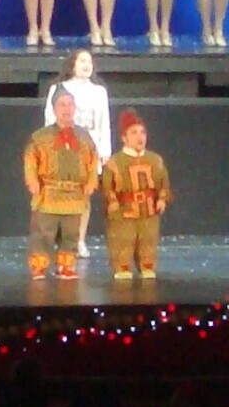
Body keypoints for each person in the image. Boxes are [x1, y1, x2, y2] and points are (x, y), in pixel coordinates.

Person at [24, 85, 101, 279]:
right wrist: (33, 182)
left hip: (75, 195)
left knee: (70, 236)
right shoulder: (40, 137)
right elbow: (30, 161)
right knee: (43, 235)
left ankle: (66, 266)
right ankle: (39, 267)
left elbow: (93, 161)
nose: (66, 109)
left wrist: (92, 181)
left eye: (70, 104)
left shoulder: (84, 137)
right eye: (62, 105)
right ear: (54, 109)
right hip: (48, 194)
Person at [43, 48, 111, 258]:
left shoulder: (99, 91)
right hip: (63, 148)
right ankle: (61, 238)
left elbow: (103, 122)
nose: (86, 65)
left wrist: (105, 150)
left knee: (84, 196)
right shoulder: (58, 88)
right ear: (72, 64)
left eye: (89, 61)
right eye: (82, 61)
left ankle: (79, 240)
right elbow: (49, 119)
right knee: (61, 193)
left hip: (89, 150)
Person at [101, 109, 172, 280]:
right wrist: (111, 201)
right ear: (124, 138)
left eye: (142, 132)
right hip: (124, 211)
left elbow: (163, 182)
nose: (140, 137)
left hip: (148, 210)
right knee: (123, 239)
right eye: (133, 133)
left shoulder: (155, 160)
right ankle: (122, 266)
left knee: (148, 239)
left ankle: (147, 265)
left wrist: (162, 199)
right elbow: (107, 186)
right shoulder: (114, 162)